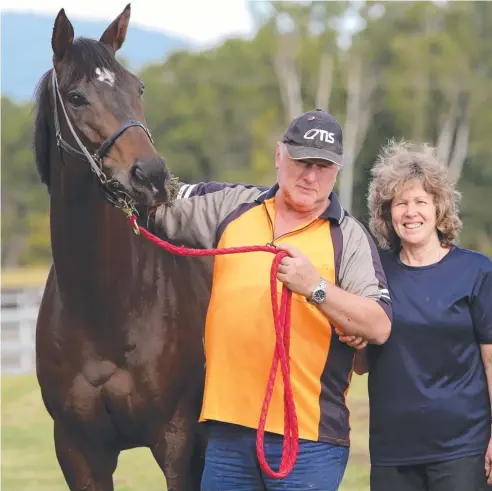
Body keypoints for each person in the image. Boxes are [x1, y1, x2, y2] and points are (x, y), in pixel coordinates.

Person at [147, 109, 392, 491]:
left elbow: (378, 325)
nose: (311, 176)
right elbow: (154, 205)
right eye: (302, 162)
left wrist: (316, 287)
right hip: (226, 431)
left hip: (308, 438)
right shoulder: (232, 206)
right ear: (280, 156)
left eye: (323, 167)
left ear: (337, 172)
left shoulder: (349, 234)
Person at [339, 140, 492, 491]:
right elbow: (362, 364)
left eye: (420, 201)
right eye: (400, 203)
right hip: (393, 451)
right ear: (387, 212)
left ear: (439, 208)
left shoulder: (477, 272)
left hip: (462, 449)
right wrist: (354, 338)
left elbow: (490, 361)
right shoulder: (373, 273)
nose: (411, 212)